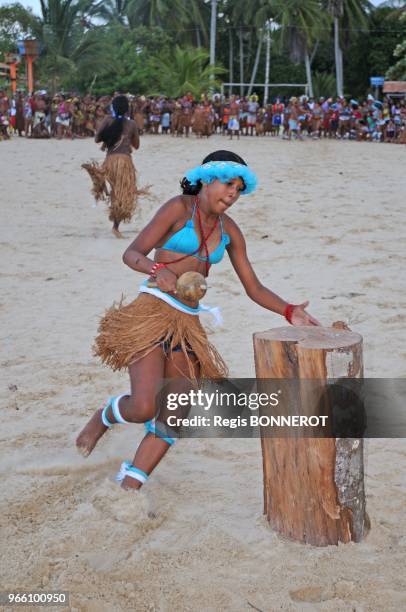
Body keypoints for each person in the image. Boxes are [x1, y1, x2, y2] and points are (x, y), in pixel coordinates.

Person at [76, 149, 320, 491]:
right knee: (144, 406)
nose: (232, 193)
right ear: (206, 180)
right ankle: (105, 415)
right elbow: (131, 253)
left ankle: (129, 485)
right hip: (151, 313)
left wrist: (289, 309)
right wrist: (157, 270)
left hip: (189, 325)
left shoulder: (230, 230)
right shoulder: (178, 209)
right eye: (227, 184)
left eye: (238, 188)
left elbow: (253, 286)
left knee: (174, 414)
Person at [82, 94, 140, 238]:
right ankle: (116, 226)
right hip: (124, 162)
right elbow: (137, 145)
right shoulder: (131, 124)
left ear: (113, 108)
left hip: (110, 161)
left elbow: (97, 139)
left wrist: (109, 137)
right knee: (122, 193)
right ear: (127, 109)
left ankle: (100, 189)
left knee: (114, 190)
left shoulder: (107, 120)